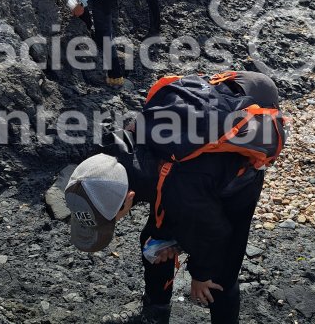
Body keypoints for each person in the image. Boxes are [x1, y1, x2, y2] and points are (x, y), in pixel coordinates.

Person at [65, 72, 285, 324]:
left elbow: (215, 232)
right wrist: (164, 235)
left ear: (130, 198)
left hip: (239, 172)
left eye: (111, 219)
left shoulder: (183, 190)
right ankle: (155, 313)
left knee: (221, 272)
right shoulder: (109, 154)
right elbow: (164, 189)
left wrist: (200, 275)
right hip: (192, 160)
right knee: (153, 241)